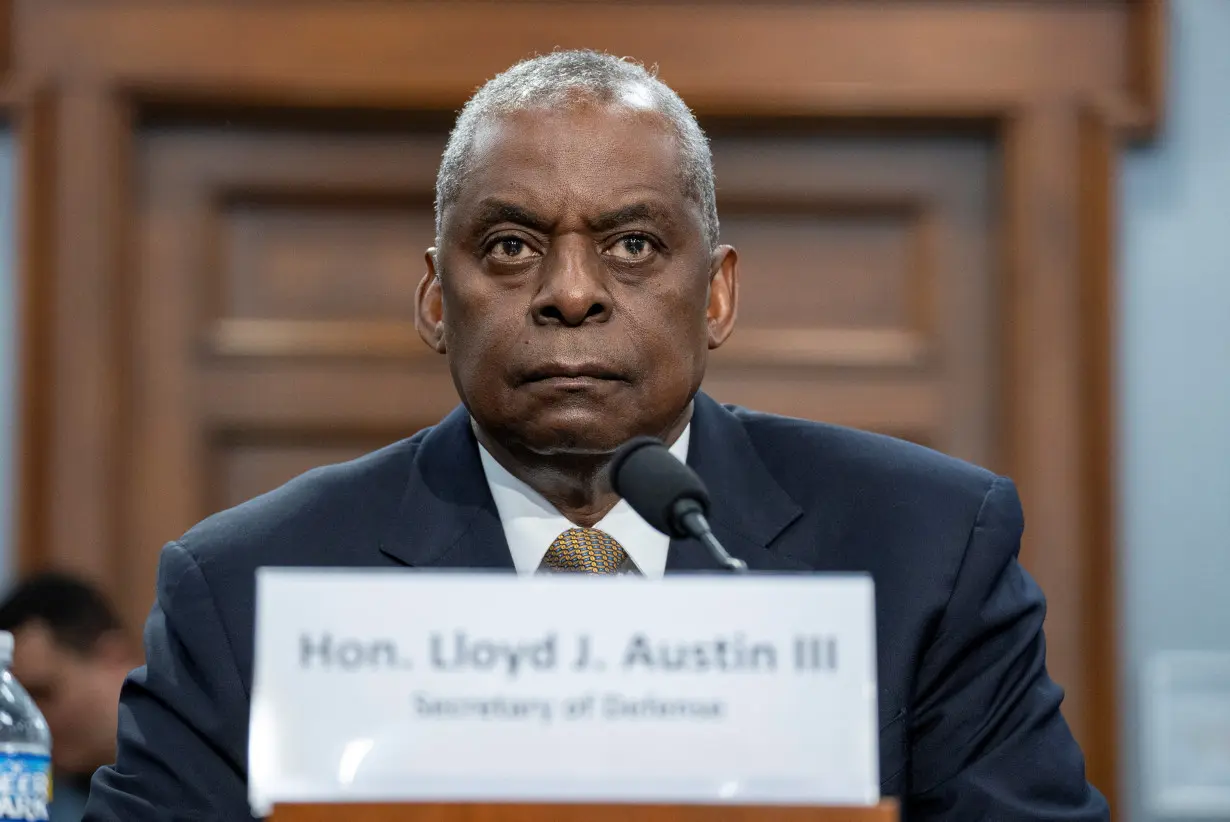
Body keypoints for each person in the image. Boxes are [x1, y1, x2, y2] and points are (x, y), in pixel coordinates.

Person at [83, 50, 1109, 820]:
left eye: (631, 245)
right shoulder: (245, 587)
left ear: (717, 294)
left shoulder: (928, 547)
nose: (571, 294)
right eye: (512, 245)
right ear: (437, 299)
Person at [0, 573, 139, 822]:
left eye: (42, 693)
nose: (26, 718)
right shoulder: (37, 799)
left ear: (113, 658)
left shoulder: (204, 771)